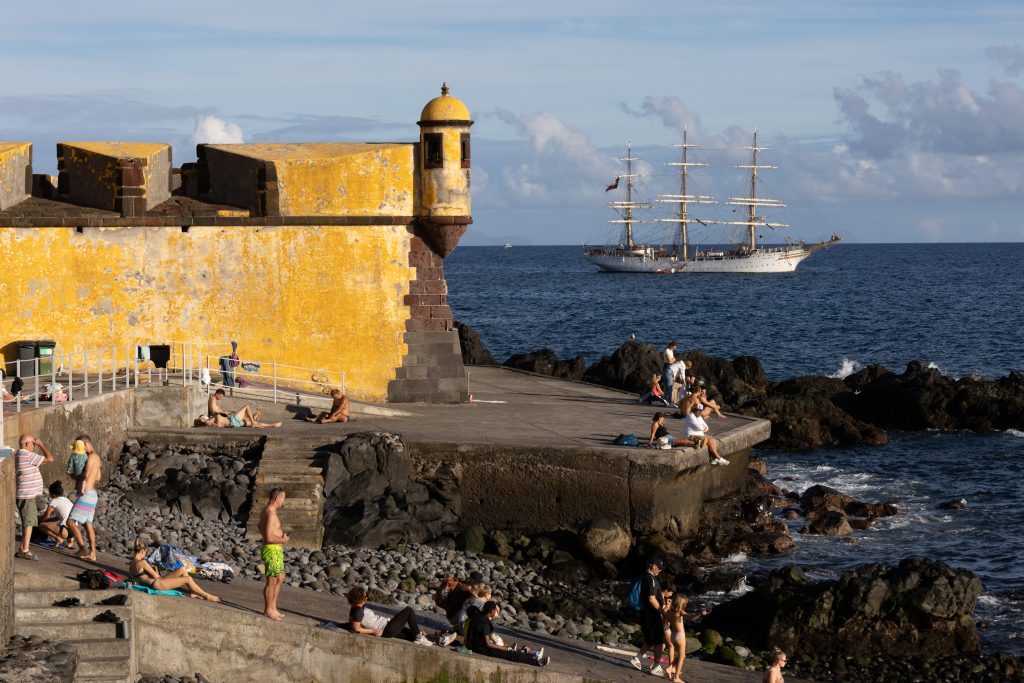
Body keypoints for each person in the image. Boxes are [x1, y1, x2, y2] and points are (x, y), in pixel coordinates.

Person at [129, 539, 220, 602]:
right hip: (157, 584)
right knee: (187, 579)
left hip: (156, 582)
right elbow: (157, 576)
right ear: (142, 551)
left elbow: (134, 579)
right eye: (145, 552)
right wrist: (155, 569)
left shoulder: (132, 564)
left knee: (182, 569)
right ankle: (207, 596)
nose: (145, 555)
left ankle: (193, 591)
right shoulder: (143, 562)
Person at [346, 585, 434, 646]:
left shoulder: (357, 606)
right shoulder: (358, 611)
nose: (367, 598)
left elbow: (353, 622)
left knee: (411, 634)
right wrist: (373, 631)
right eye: (364, 597)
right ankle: (420, 637)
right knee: (408, 611)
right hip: (385, 629)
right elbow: (356, 628)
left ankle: (423, 636)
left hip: (387, 626)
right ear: (359, 599)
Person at [466, 601, 548, 666]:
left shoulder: (479, 617)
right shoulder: (484, 623)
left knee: (506, 648)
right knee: (509, 654)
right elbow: (488, 644)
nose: (496, 611)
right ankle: (535, 659)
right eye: (495, 610)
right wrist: (504, 648)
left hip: (474, 644)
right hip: (480, 648)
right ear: (491, 611)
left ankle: (531, 654)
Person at [14, 434, 54, 561]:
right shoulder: (27, 455)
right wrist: (42, 445)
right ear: (26, 444)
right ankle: (24, 550)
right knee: (29, 523)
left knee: (28, 522)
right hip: (26, 496)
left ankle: (24, 549)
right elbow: (50, 459)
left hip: (24, 494)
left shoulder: (19, 454)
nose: (34, 445)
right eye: (33, 443)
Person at [67, 434, 102, 561]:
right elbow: (98, 477)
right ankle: (92, 553)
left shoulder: (90, 457)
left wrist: (74, 475)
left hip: (86, 494)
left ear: (85, 444)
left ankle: (82, 547)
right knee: (88, 524)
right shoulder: (97, 457)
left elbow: (86, 474)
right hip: (93, 495)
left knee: (70, 522)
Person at [630, 558, 667, 677]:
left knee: (650, 638)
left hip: (643, 612)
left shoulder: (641, 576)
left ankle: (638, 658)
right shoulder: (650, 579)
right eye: (659, 567)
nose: (660, 570)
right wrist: (662, 611)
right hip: (651, 613)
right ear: (654, 566)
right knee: (659, 640)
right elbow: (651, 598)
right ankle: (656, 666)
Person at [259, 488, 289, 620]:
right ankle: (268, 609)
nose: (284, 501)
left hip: (276, 551)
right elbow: (268, 538)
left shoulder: (269, 511)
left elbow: (259, 525)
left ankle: (273, 607)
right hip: (271, 550)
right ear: (277, 498)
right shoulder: (270, 513)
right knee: (271, 581)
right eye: (283, 498)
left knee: (280, 578)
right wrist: (283, 539)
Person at [664, 593, 706, 683]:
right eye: (684, 604)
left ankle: (670, 667)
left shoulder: (668, 612)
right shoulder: (680, 612)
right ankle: (676, 677)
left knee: (682, 655)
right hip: (680, 636)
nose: (685, 605)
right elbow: (692, 618)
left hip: (673, 635)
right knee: (681, 657)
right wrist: (700, 614)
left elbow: (666, 623)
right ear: (681, 604)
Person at [38, 481, 75, 548]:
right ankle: (70, 542)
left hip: (65, 531)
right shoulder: (67, 500)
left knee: (41, 526)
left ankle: (58, 538)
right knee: (61, 522)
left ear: (53, 494)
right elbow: (61, 517)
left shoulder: (54, 501)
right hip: (74, 530)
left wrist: (39, 519)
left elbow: (46, 516)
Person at [194, 404, 281, 429]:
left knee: (251, 422)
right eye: (201, 418)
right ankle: (254, 420)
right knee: (247, 406)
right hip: (233, 420)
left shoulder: (210, 420)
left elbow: (217, 425)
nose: (203, 418)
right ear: (202, 420)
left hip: (234, 422)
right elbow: (218, 426)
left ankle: (272, 425)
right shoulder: (209, 422)